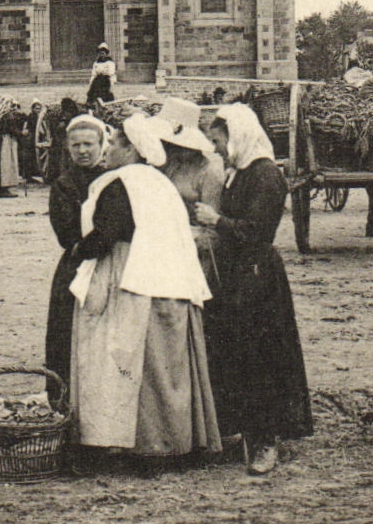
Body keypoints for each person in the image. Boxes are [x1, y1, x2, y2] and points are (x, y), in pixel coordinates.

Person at [71, 113, 220, 461]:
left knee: (126, 358)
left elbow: (107, 233)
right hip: (169, 280)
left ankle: (136, 442)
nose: (109, 150)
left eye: (115, 143)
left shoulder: (122, 183)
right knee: (164, 363)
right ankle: (174, 439)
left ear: (132, 148)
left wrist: (81, 250)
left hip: (131, 277)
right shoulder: (160, 183)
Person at [196, 104, 314, 475]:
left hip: (257, 277)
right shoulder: (239, 172)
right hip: (234, 274)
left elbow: (258, 232)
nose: (215, 148)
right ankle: (245, 434)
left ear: (237, 135)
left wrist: (217, 221)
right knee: (234, 354)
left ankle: (266, 441)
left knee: (260, 357)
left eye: (218, 140)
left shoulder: (265, 175)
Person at [44, 112, 109, 410]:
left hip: (110, 264)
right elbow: (67, 234)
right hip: (76, 264)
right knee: (66, 335)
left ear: (102, 144)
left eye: (89, 144)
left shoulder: (113, 178)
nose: (82, 151)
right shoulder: (63, 185)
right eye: (76, 145)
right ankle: (65, 404)